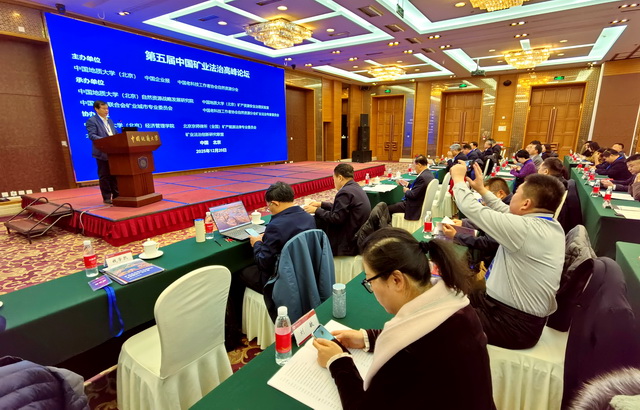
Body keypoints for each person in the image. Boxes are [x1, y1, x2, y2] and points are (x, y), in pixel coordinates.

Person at [312, 228, 495, 409]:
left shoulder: (407, 357)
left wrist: (338, 361)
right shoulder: (457, 307)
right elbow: (423, 334)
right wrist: (367, 338)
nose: (371, 288)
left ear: (396, 280)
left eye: (370, 280)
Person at [451, 162, 566, 349]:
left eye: (516, 193)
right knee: (453, 293)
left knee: (442, 319)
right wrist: (481, 190)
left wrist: (457, 178)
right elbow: (503, 209)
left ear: (526, 204)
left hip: (512, 325)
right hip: (506, 310)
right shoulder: (547, 223)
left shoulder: (524, 229)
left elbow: (471, 209)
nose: (511, 197)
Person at [228, 182, 316, 344]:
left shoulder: (276, 226)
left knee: (237, 274)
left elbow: (263, 263)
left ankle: (237, 328)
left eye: (269, 207)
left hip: (278, 280)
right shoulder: (307, 216)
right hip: (303, 270)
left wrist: (257, 243)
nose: (269, 210)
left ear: (275, 203)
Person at [441, 177, 512, 271]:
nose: (483, 202)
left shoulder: (508, 213)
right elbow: (487, 218)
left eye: (485, 197)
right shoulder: (506, 206)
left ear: (500, 194)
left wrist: (456, 236)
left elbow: (487, 242)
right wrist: (464, 223)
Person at [304, 164, 371, 256]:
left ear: (340, 178)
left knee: (318, 221)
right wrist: (321, 204)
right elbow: (342, 208)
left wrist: (316, 210)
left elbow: (336, 218)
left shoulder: (345, 192)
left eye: (333, 179)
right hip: (357, 230)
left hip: (349, 238)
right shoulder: (355, 187)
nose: (334, 182)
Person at [86, 100, 119, 204]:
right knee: (104, 175)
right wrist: (106, 140)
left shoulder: (110, 121)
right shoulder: (92, 121)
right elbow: (92, 135)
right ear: (96, 109)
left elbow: (114, 133)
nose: (106, 110)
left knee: (115, 174)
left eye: (107, 108)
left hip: (113, 152)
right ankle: (107, 197)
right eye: (104, 108)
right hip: (102, 152)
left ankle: (117, 195)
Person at [539, 157, 582, 233]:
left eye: (539, 168)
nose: (537, 170)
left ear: (546, 171)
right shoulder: (561, 182)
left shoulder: (548, 188)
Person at [387, 155, 435, 220]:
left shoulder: (422, 178)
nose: (414, 168)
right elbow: (418, 188)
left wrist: (406, 191)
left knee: (388, 208)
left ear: (419, 165)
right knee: (395, 204)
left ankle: (388, 224)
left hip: (413, 207)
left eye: (414, 165)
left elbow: (412, 195)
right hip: (420, 202)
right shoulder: (429, 174)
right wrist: (407, 184)